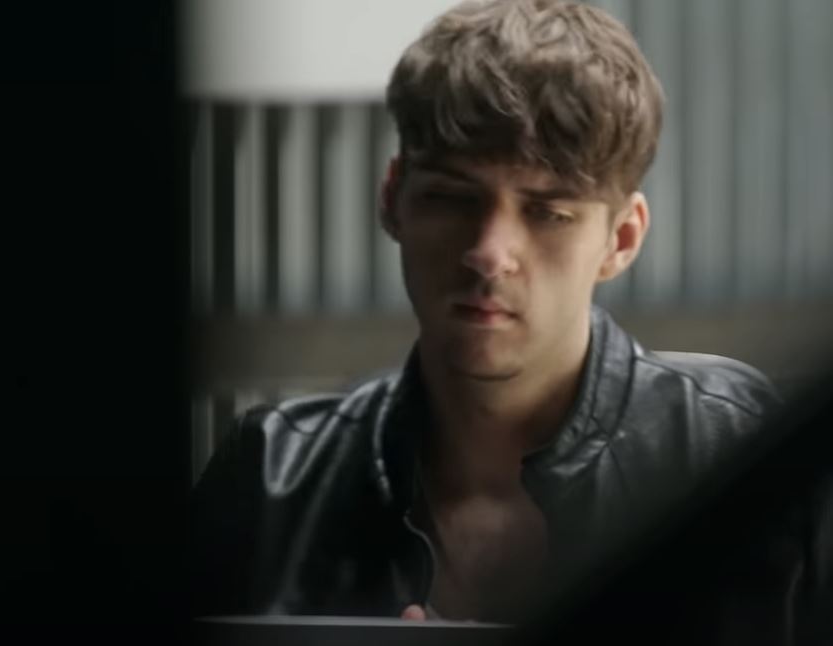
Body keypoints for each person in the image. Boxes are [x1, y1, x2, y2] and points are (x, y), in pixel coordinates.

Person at [190, 0, 780, 627]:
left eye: (548, 213)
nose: (489, 253)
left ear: (622, 239)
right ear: (393, 198)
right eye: (451, 198)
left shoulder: (733, 452)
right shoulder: (271, 479)